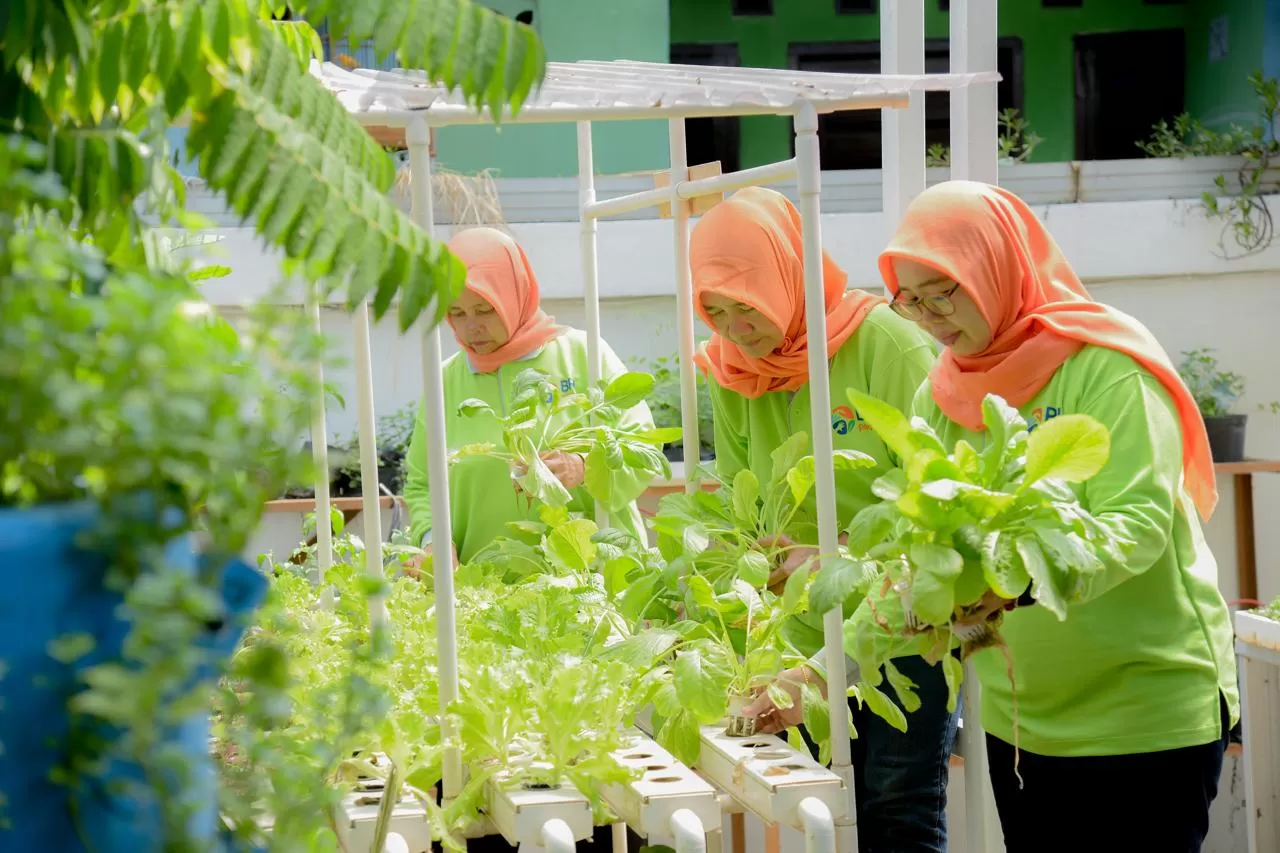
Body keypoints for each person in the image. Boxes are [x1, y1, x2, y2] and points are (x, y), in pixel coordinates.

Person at [760, 180, 1240, 852]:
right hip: (1024, 722)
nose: (927, 315)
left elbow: (1136, 525)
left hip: (1146, 714)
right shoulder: (939, 395)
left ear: (995, 268)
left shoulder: (1106, 368)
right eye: (911, 298)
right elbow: (910, 563)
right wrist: (817, 673)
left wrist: (1010, 581)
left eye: (944, 291)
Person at [692, 187, 956, 853]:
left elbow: (942, 497)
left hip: (903, 622)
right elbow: (735, 495)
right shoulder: (730, 370)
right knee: (823, 810)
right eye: (714, 311)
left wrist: (831, 552)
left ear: (785, 273)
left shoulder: (887, 345)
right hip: (801, 634)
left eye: (743, 305)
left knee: (898, 806)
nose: (732, 329)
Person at [404, 226, 653, 565]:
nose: (470, 327)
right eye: (457, 313)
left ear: (513, 295)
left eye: (485, 309)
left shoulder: (581, 353)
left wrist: (584, 467)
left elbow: (643, 443)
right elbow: (422, 483)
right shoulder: (445, 380)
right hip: (488, 590)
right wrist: (433, 541)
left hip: (592, 578)